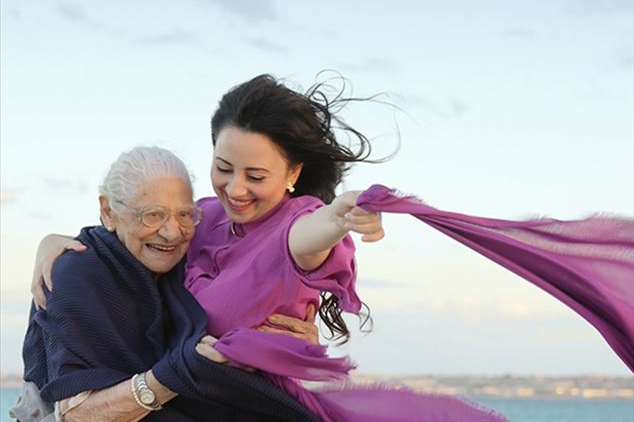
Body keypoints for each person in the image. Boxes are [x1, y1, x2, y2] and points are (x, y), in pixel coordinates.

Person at [28, 75, 512, 422]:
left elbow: (304, 239)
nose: (235, 189)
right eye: (223, 167)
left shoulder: (294, 230)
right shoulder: (201, 218)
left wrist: (340, 214)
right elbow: (136, 224)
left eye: (256, 176)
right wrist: (53, 243)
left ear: (293, 174)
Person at [12, 146, 324, 422]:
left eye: (185, 215)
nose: (172, 233)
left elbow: (242, 319)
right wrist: (181, 372)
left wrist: (293, 344)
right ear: (108, 210)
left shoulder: (190, 266)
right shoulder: (78, 274)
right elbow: (78, 414)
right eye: (153, 215)